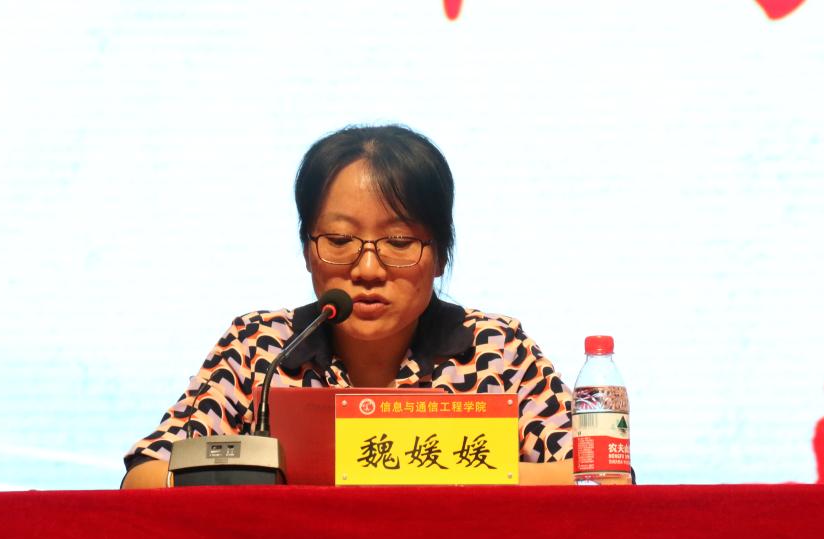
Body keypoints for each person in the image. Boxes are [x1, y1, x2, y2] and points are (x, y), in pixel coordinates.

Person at [122, 124, 573, 488]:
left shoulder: (495, 349)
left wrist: (432, 472)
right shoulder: (260, 348)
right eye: (339, 241)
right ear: (307, 250)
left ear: (439, 255)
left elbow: (596, 472)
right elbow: (145, 475)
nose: (368, 269)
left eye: (399, 241)